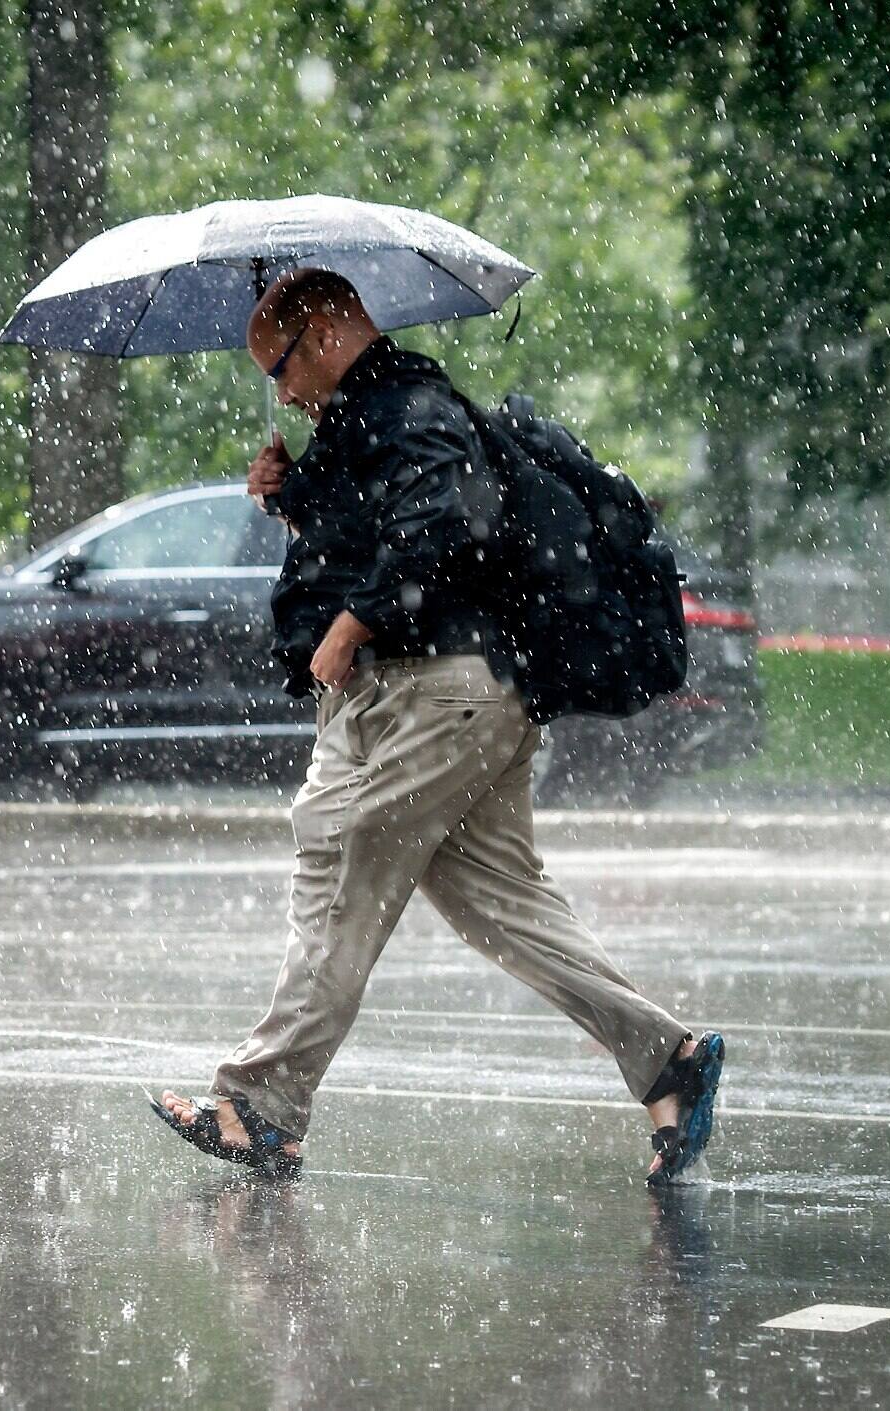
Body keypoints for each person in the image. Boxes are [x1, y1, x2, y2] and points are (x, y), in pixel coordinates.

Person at [151, 267, 723, 1186]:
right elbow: (383, 522)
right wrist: (290, 493)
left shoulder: (407, 405)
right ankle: (668, 1061)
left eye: (284, 362)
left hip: (434, 694)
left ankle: (259, 1104)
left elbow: (447, 526)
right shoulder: (372, 417)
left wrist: (353, 621)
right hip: (461, 695)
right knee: (503, 906)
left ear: (332, 330)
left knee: (341, 854)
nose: (281, 388)